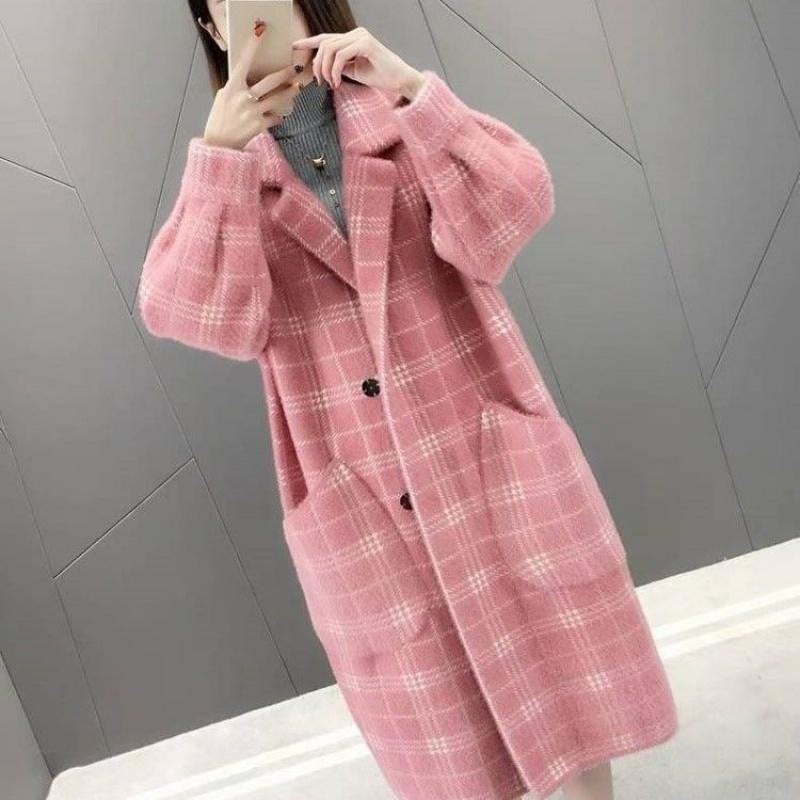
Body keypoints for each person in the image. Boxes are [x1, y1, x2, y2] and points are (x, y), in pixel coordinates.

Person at [137, 2, 678, 799]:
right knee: (447, 723)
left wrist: (411, 88)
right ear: (214, 30)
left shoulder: (395, 113)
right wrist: (217, 159)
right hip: (358, 486)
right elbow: (192, 314)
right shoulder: (230, 175)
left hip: (485, 450)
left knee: (565, 678)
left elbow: (516, 204)